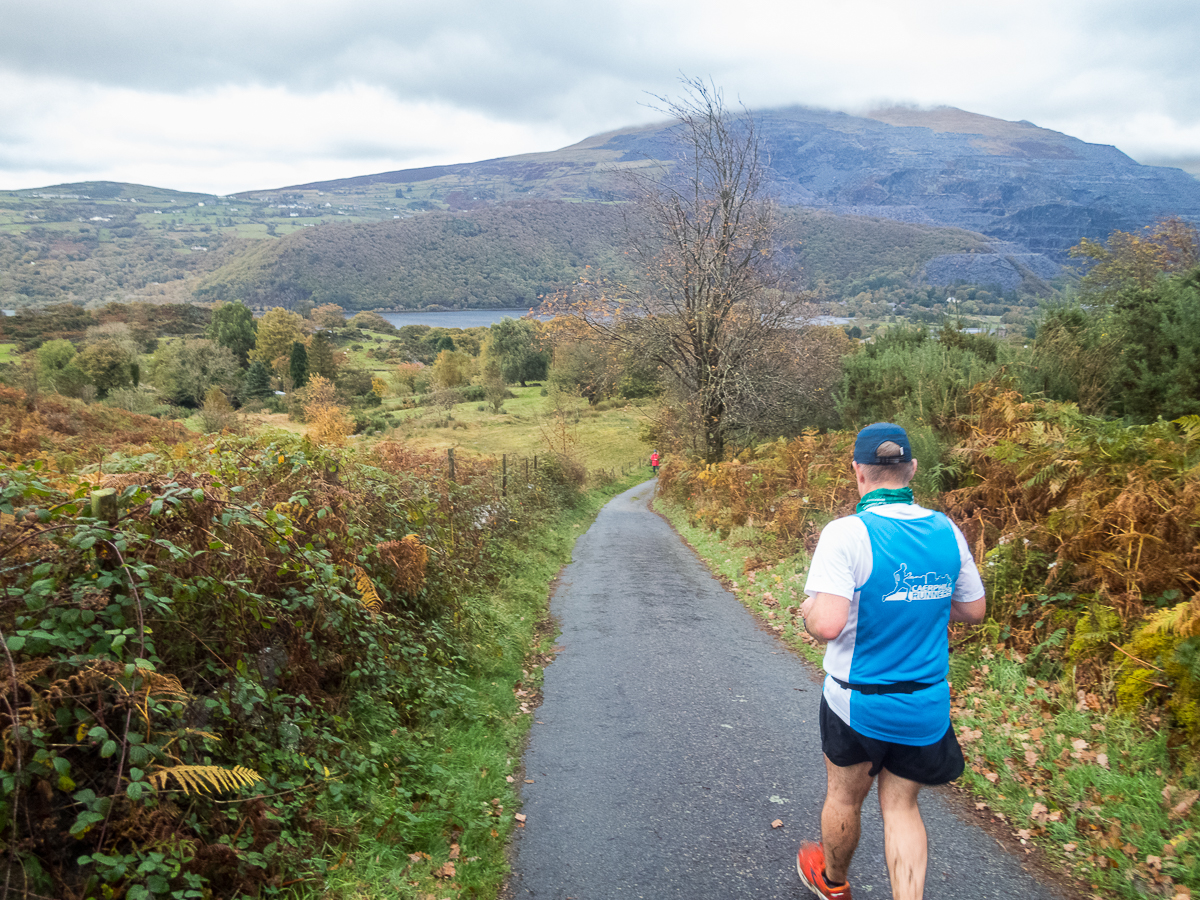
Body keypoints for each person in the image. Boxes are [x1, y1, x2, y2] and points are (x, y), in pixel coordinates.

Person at [796, 422, 986, 900]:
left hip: (858, 703)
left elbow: (826, 624)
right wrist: (924, 599)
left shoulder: (846, 534)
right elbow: (973, 609)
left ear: (857, 471)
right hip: (925, 704)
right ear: (912, 469)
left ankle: (834, 884)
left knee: (844, 797)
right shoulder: (946, 530)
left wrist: (806, 610)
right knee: (901, 808)